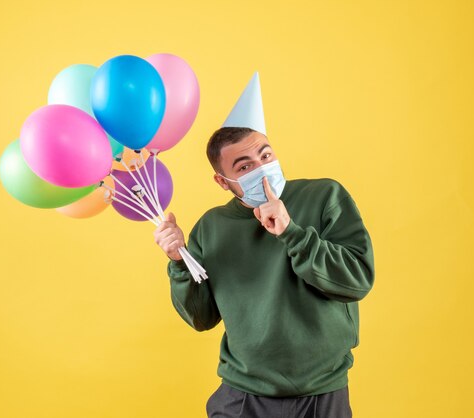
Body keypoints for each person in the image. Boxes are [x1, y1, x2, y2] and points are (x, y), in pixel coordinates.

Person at [153, 73, 375, 418]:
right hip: (245, 395)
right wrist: (179, 261)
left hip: (323, 391)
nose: (262, 168)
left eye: (266, 155)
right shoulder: (212, 227)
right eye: (245, 166)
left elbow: (356, 281)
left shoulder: (324, 196)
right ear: (223, 181)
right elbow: (201, 317)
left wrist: (291, 232)